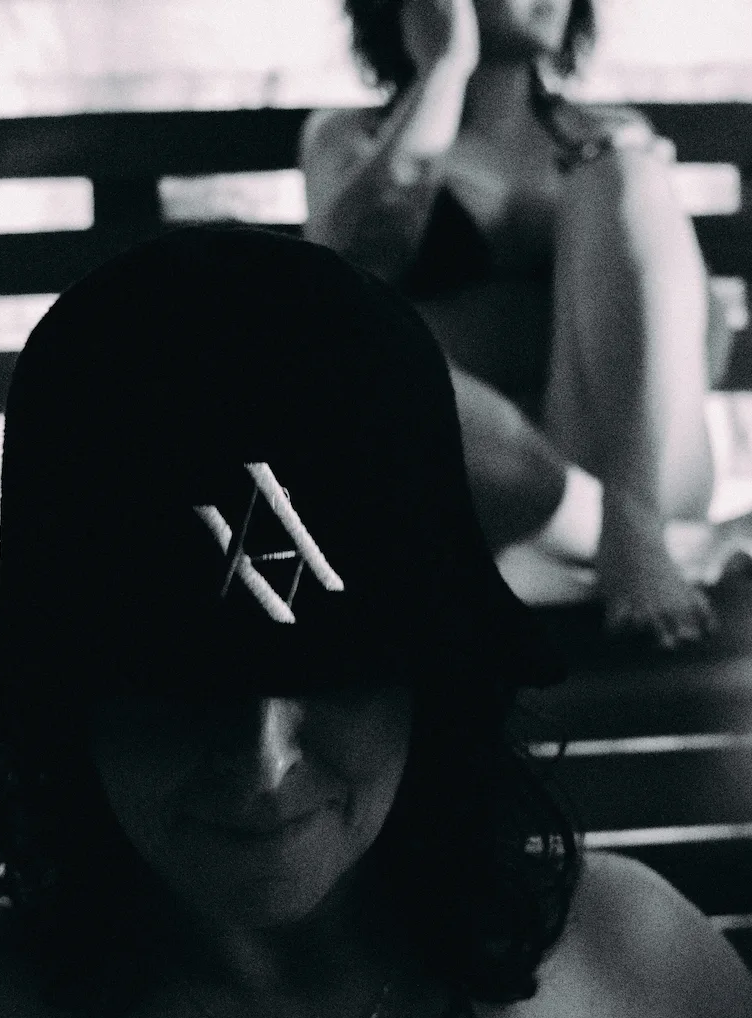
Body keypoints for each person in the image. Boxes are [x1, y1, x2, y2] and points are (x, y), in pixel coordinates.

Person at [0, 227, 752, 1018]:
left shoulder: (624, 960)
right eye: (175, 684)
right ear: (72, 697)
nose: (261, 760)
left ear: (430, 677)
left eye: (332, 675)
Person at [300, 0, 748, 649]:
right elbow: (343, 288)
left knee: (622, 171)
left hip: (633, 478)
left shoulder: (609, 138)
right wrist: (444, 72)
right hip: (478, 489)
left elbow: (695, 348)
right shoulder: (351, 136)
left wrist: (627, 225)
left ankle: (634, 527)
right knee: (369, 358)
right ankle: (651, 544)